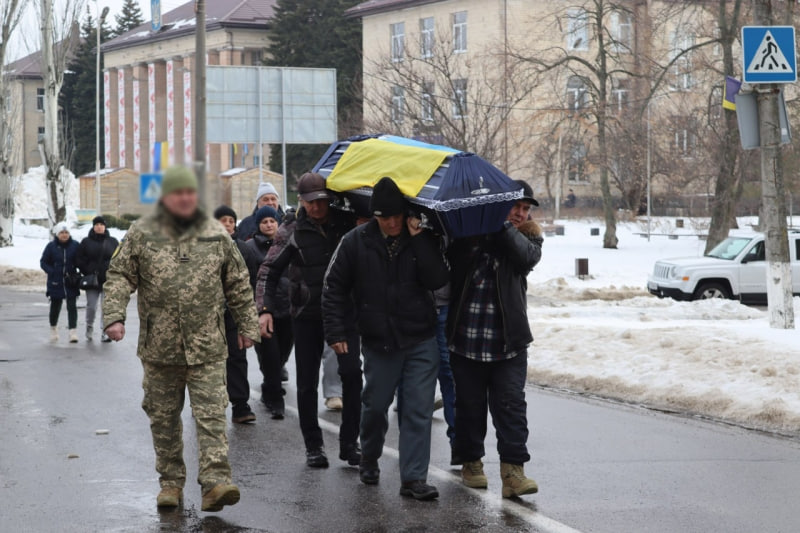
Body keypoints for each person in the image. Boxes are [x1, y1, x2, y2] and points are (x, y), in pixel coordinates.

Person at [102, 166, 260, 512]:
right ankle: (171, 483)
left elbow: (237, 282)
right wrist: (114, 315)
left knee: (212, 416)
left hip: (207, 346)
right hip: (160, 348)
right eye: (178, 193)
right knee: (164, 419)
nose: (186, 198)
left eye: (190, 192)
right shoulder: (142, 233)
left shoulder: (215, 234)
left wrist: (248, 325)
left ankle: (215, 483)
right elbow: (119, 276)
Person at [323, 177, 449, 501]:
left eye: (397, 216)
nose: (392, 223)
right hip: (380, 341)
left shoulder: (421, 237)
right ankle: (369, 455)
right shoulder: (355, 241)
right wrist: (336, 331)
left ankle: (413, 479)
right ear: (374, 215)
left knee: (418, 410)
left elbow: (437, 279)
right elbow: (333, 287)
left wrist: (420, 240)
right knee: (376, 406)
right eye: (384, 217)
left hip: (420, 338)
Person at [447, 179, 543, 498]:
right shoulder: (471, 232)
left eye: (525, 209)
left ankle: (513, 473)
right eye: (515, 206)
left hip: (509, 343)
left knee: (511, 407)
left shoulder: (529, 238)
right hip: (467, 339)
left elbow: (526, 258)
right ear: (501, 204)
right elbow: (454, 261)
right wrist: (483, 229)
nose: (520, 213)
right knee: (469, 407)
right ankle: (471, 463)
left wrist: (500, 226)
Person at [258, 172, 361, 469]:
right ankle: (313, 446)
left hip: (343, 314)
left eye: (321, 201)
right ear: (301, 201)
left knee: (353, 376)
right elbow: (268, 271)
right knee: (306, 383)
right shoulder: (291, 228)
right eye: (310, 202)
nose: (316, 207)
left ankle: (350, 443)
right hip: (306, 315)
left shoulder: (345, 223)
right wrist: (264, 309)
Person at [244, 204, 293, 420]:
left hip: (288, 307)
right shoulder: (250, 248)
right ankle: (274, 398)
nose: (269, 224)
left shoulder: (289, 244)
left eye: (272, 221)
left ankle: (269, 386)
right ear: (258, 225)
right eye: (264, 221)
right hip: (263, 309)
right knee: (270, 355)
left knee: (283, 352)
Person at [213, 205, 258, 424]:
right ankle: (206, 403)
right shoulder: (203, 247)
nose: (228, 224)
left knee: (237, 357)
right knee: (208, 360)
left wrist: (248, 317)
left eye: (231, 220)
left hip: (233, 312)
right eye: (223, 220)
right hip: (207, 314)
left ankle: (240, 405)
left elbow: (251, 282)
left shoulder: (243, 249)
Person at [75, 216, 119, 342]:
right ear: (93, 227)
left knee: (106, 307)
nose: (99, 227)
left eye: (101, 224)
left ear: (105, 227)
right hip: (92, 281)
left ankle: (105, 331)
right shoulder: (86, 242)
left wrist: (114, 272)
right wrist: (87, 271)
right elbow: (79, 259)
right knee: (92, 306)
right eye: (96, 225)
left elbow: (119, 258)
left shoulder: (112, 242)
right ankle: (89, 325)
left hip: (108, 280)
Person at [40, 222, 80, 343]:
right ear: (57, 234)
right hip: (55, 281)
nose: (64, 235)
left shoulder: (75, 245)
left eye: (66, 232)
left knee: (72, 306)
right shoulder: (51, 246)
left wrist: (78, 271)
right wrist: (52, 271)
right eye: (62, 232)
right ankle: (53, 329)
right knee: (55, 306)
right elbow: (43, 262)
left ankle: (73, 332)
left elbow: (81, 260)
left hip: (71, 281)